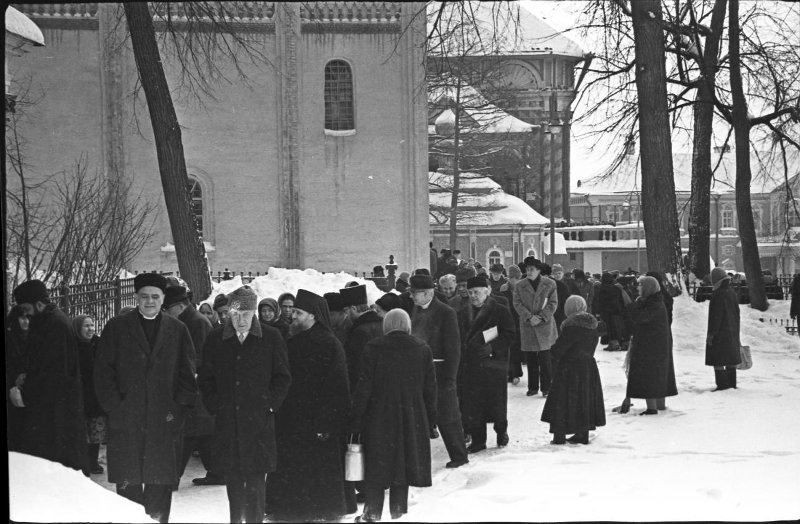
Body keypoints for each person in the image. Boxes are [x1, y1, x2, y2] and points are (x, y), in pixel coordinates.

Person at [95, 273, 198, 522]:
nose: (149, 301)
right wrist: (115, 408)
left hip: (163, 423)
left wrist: (177, 411)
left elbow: (187, 375)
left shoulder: (178, 329)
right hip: (127, 422)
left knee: (160, 488)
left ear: (163, 299)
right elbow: (102, 372)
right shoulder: (117, 327)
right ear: (136, 298)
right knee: (128, 491)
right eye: (144, 297)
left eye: (155, 296)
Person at [199, 286, 292, 523]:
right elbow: (206, 378)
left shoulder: (270, 337)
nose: (240, 320)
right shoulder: (216, 338)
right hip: (228, 423)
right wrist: (216, 406)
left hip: (258, 424)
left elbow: (282, 377)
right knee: (233, 484)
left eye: (246, 314)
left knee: (255, 484)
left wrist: (269, 405)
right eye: (236, 314)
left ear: (254, 313)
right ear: (229, 313)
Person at [265, 289, 351, 522]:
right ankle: (290, 511)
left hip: (317, 423)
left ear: (313, 315)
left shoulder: (329, 344)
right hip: (292, 422)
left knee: (316, 475)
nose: (292, 316)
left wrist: (326, 422)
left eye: (298, 313)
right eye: (292, 311)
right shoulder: (294, 339)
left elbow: (337, 389)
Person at [349, 309, 437, 522]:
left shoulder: (373, 348)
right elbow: (430, 389)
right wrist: (431, 421)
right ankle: (398, 512)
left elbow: (364, 386)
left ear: (386, 326)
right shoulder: (422, 349)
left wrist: (355, 418)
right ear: (407, 325)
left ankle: (372, 512)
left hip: (379, 415)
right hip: (412, 415)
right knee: (403, 466)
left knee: (376, 465)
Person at [13, 280, 89, 475]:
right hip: (53, 408)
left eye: (27, 308)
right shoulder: (49, 321)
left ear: (39, 304)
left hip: (56, 411)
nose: (27, 314)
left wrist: (26, 391)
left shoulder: (55, 325)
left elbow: (52, 373)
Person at [162, 285, 222, 487]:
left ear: (179, 306)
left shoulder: (196, 323)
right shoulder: (189, 320)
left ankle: (172, 477)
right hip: (194, 386)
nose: (165, 312)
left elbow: (202, 357)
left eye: (167, 308)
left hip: (196, 387)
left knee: (188, 432)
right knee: (202, 433)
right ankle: (217, 472)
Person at [409, 274, 468, 469]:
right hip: (420, 372)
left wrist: (451, 378)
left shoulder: (446, 312)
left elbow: (454, 348)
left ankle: (459, 455)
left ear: (427, 293)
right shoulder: (415, 310)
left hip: (441, 372)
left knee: (448, 415)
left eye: (414, 293)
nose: (412, 297)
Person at [456, 275, 515, 453]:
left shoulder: (500, 310)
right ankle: (478, 440)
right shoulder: (462, 313)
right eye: (470, 292)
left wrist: (492, 347)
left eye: (477, 292)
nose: (473, 296)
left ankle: (501, 431)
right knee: (473, 404)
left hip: (493, 364)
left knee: (496, 401)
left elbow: (510, 335)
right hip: (471, 364)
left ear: (487, 291)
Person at [541, 296, 605, 445]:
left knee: (562, 402)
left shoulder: (571, 327)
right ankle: (582, 434)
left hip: (569, 368)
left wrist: (551, 352)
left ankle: (559, 436)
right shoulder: (592, 326)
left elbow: (559, 350)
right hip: (588, 367)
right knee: (583, 401)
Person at [626, 276, 678, 415]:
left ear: (647, 288)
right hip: (658, 345)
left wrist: (632, 305)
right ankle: (660, 404)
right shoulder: (657, 301)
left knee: (650, 375)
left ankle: (652, 407)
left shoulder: (651, 304)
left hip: (650, 346)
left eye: (640, 286)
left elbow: (639, 318)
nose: (638, 288)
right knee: (659, 375)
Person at [513, 257, 558, 397]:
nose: (529, 272)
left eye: (532, 269)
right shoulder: (520, 285)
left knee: (545, 359)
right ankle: (532, 387)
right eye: (527, 269)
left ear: (538, 270)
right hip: (528, 325)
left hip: (545, 325)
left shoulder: (550, 284)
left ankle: (546, 388)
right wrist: (529, 317)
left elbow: (553, 303)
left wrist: (542, 317)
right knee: (531, 358)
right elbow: (517, 303)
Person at [73, 314, 107, 474]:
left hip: (96, 396)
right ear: (78, 328)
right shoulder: (74, 347)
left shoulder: (99, 344)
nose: (90, 329)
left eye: (92, 325)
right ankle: (82, 462)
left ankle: (93, 462)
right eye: (86, 326)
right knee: (82, 431)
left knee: (96, 432)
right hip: (80, 395)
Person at [341, 284, 383, 394]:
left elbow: (356, 367)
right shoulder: (382, 323)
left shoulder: (360, 331)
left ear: (353, 308)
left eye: (346, 310)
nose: (346, 315)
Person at [706, 267, 742, 391]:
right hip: (731, 330)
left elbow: (716, 316)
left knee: (718, 359)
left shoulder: (718, 294)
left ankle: (722, 384)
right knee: (730, 359)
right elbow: (737, 313)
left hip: (720, 333)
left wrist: (711, 334)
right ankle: (731, 383)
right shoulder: (731, 292)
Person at [6, 305, 30, 452]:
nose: (26, 322)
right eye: (22, 318)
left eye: (28, 318)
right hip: (13, 390)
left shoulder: (33, 337)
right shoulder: (10, 338)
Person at [499, 265, 524, 385]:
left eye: (516, 278)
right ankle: (512, 373)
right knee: (510, 347)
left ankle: (515, 372)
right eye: (512, 277)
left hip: (520, 321)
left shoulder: (523, 289)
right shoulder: (503, 289)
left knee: (516, 348)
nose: (514, 280)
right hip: (508, 321)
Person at [597, 272, 631, 351]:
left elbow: (601, 302)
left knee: (611, 329)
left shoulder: (602, 289)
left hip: (608, 312)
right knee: (621, 327)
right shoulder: (616, 288)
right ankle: (624, 343)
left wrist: (599, 312)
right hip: (619, 311)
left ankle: (614, 344)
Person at [550, 264, 571, 331]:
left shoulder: (567, 283)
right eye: (555, 273)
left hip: (562, 311)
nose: (558, 275)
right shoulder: (550, 284)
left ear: (563, 273)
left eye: (559, 273)